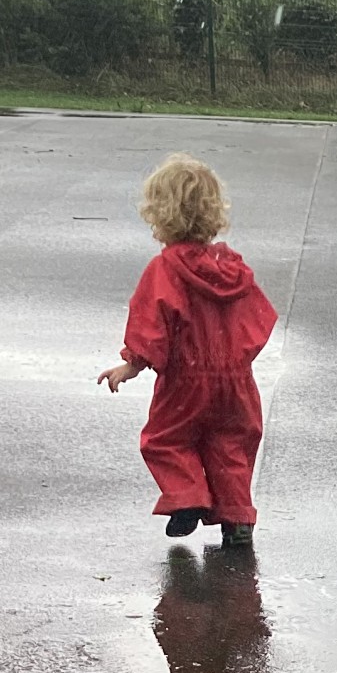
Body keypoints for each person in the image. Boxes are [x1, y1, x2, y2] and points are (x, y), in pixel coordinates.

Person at [98, 154, 276, 547]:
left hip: (185, 379)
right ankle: (237, 519)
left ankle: (187, 497)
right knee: (231, 447)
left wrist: (132, 364)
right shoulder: (232, 270)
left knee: (166, 439)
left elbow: (152, 324)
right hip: (236, 383)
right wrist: (235, 360)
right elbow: (257, 319)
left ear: (159, 215)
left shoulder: (165, 269)